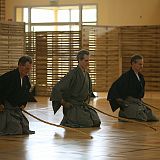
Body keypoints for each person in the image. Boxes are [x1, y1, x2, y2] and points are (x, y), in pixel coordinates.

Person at [50, 50, 101, 127]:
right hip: (73, 107)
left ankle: (70, 119)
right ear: (80, 60)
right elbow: (56, 88)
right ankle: (68, 120)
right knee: (88, 123)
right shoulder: (73, 74)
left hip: (82, 106)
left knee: (96, 121)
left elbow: (88, 92)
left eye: (89, 61)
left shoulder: (86, 74)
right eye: (86, 61)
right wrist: (64, 103)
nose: (88, 63)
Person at [107, 54, 159, 122]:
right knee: (143, 117)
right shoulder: (125, 77)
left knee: (153, 118)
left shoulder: (141, 77)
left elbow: (140, 94)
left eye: (142, 64)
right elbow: (113, 90)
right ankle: (123, 113)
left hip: (137, 103)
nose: (141, 66)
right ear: (133, 63)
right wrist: (122, 103)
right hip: (128, 103)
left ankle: (131, 113)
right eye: (140, 64)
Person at [0, 55, 35, 135]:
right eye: (26, 68)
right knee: (16, 129)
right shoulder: (8, 77)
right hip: (5, 109)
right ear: (20, 65)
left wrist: (23, 104)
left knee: (25, 127)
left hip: (15, 108)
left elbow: (26, 93)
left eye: (29, 69)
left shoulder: (25, 79)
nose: (28, 71)